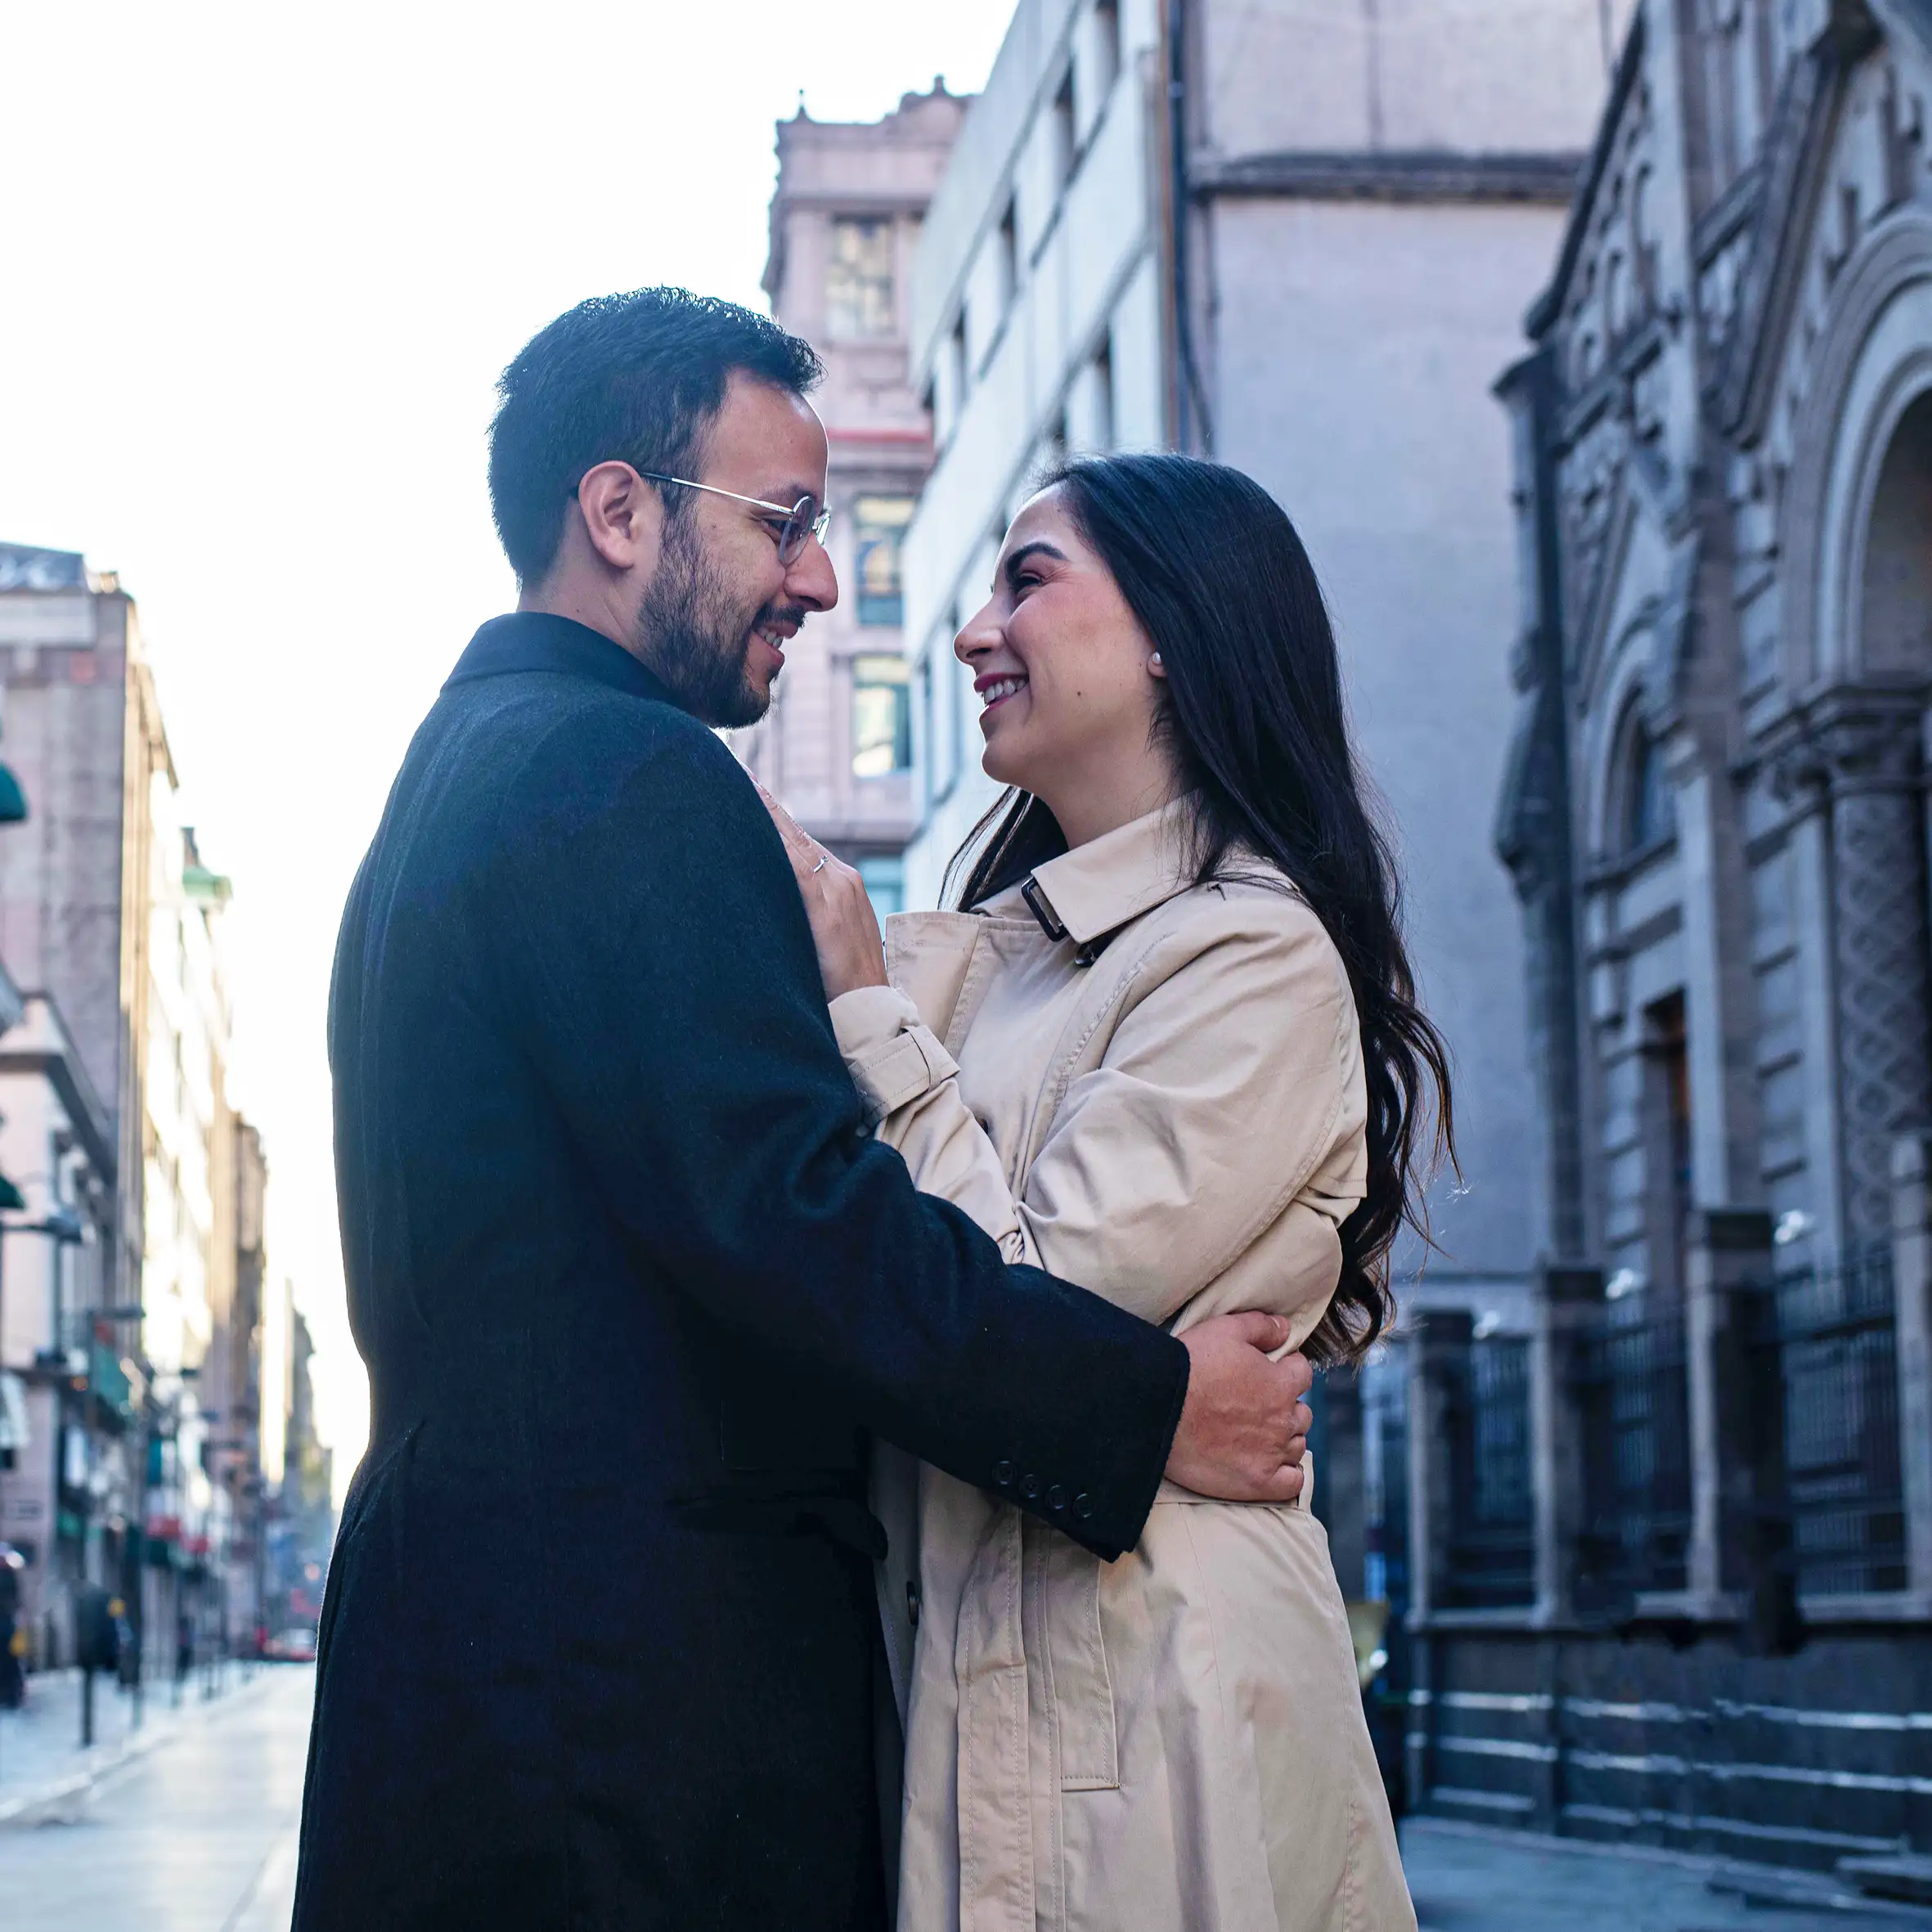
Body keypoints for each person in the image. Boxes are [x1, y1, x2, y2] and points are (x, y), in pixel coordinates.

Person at [294, 292, 1318, 1932]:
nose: (820, 579)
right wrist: (1143, 1408)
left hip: (496, 1701)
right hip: (620, 1741)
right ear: (618, 511)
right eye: (782, 521)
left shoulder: (472, 762)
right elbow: (792, 1222)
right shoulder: (624, 772)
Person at [763, 453, 1453, 1931]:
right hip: (977, 1691)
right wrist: (1163, 1405)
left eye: (1029, 578)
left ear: (1171, 631)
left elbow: (1015, 1318)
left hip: (1153, 1704)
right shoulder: (991, 964)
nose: (974, 632)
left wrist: (870, 1016)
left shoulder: (1252, 955)